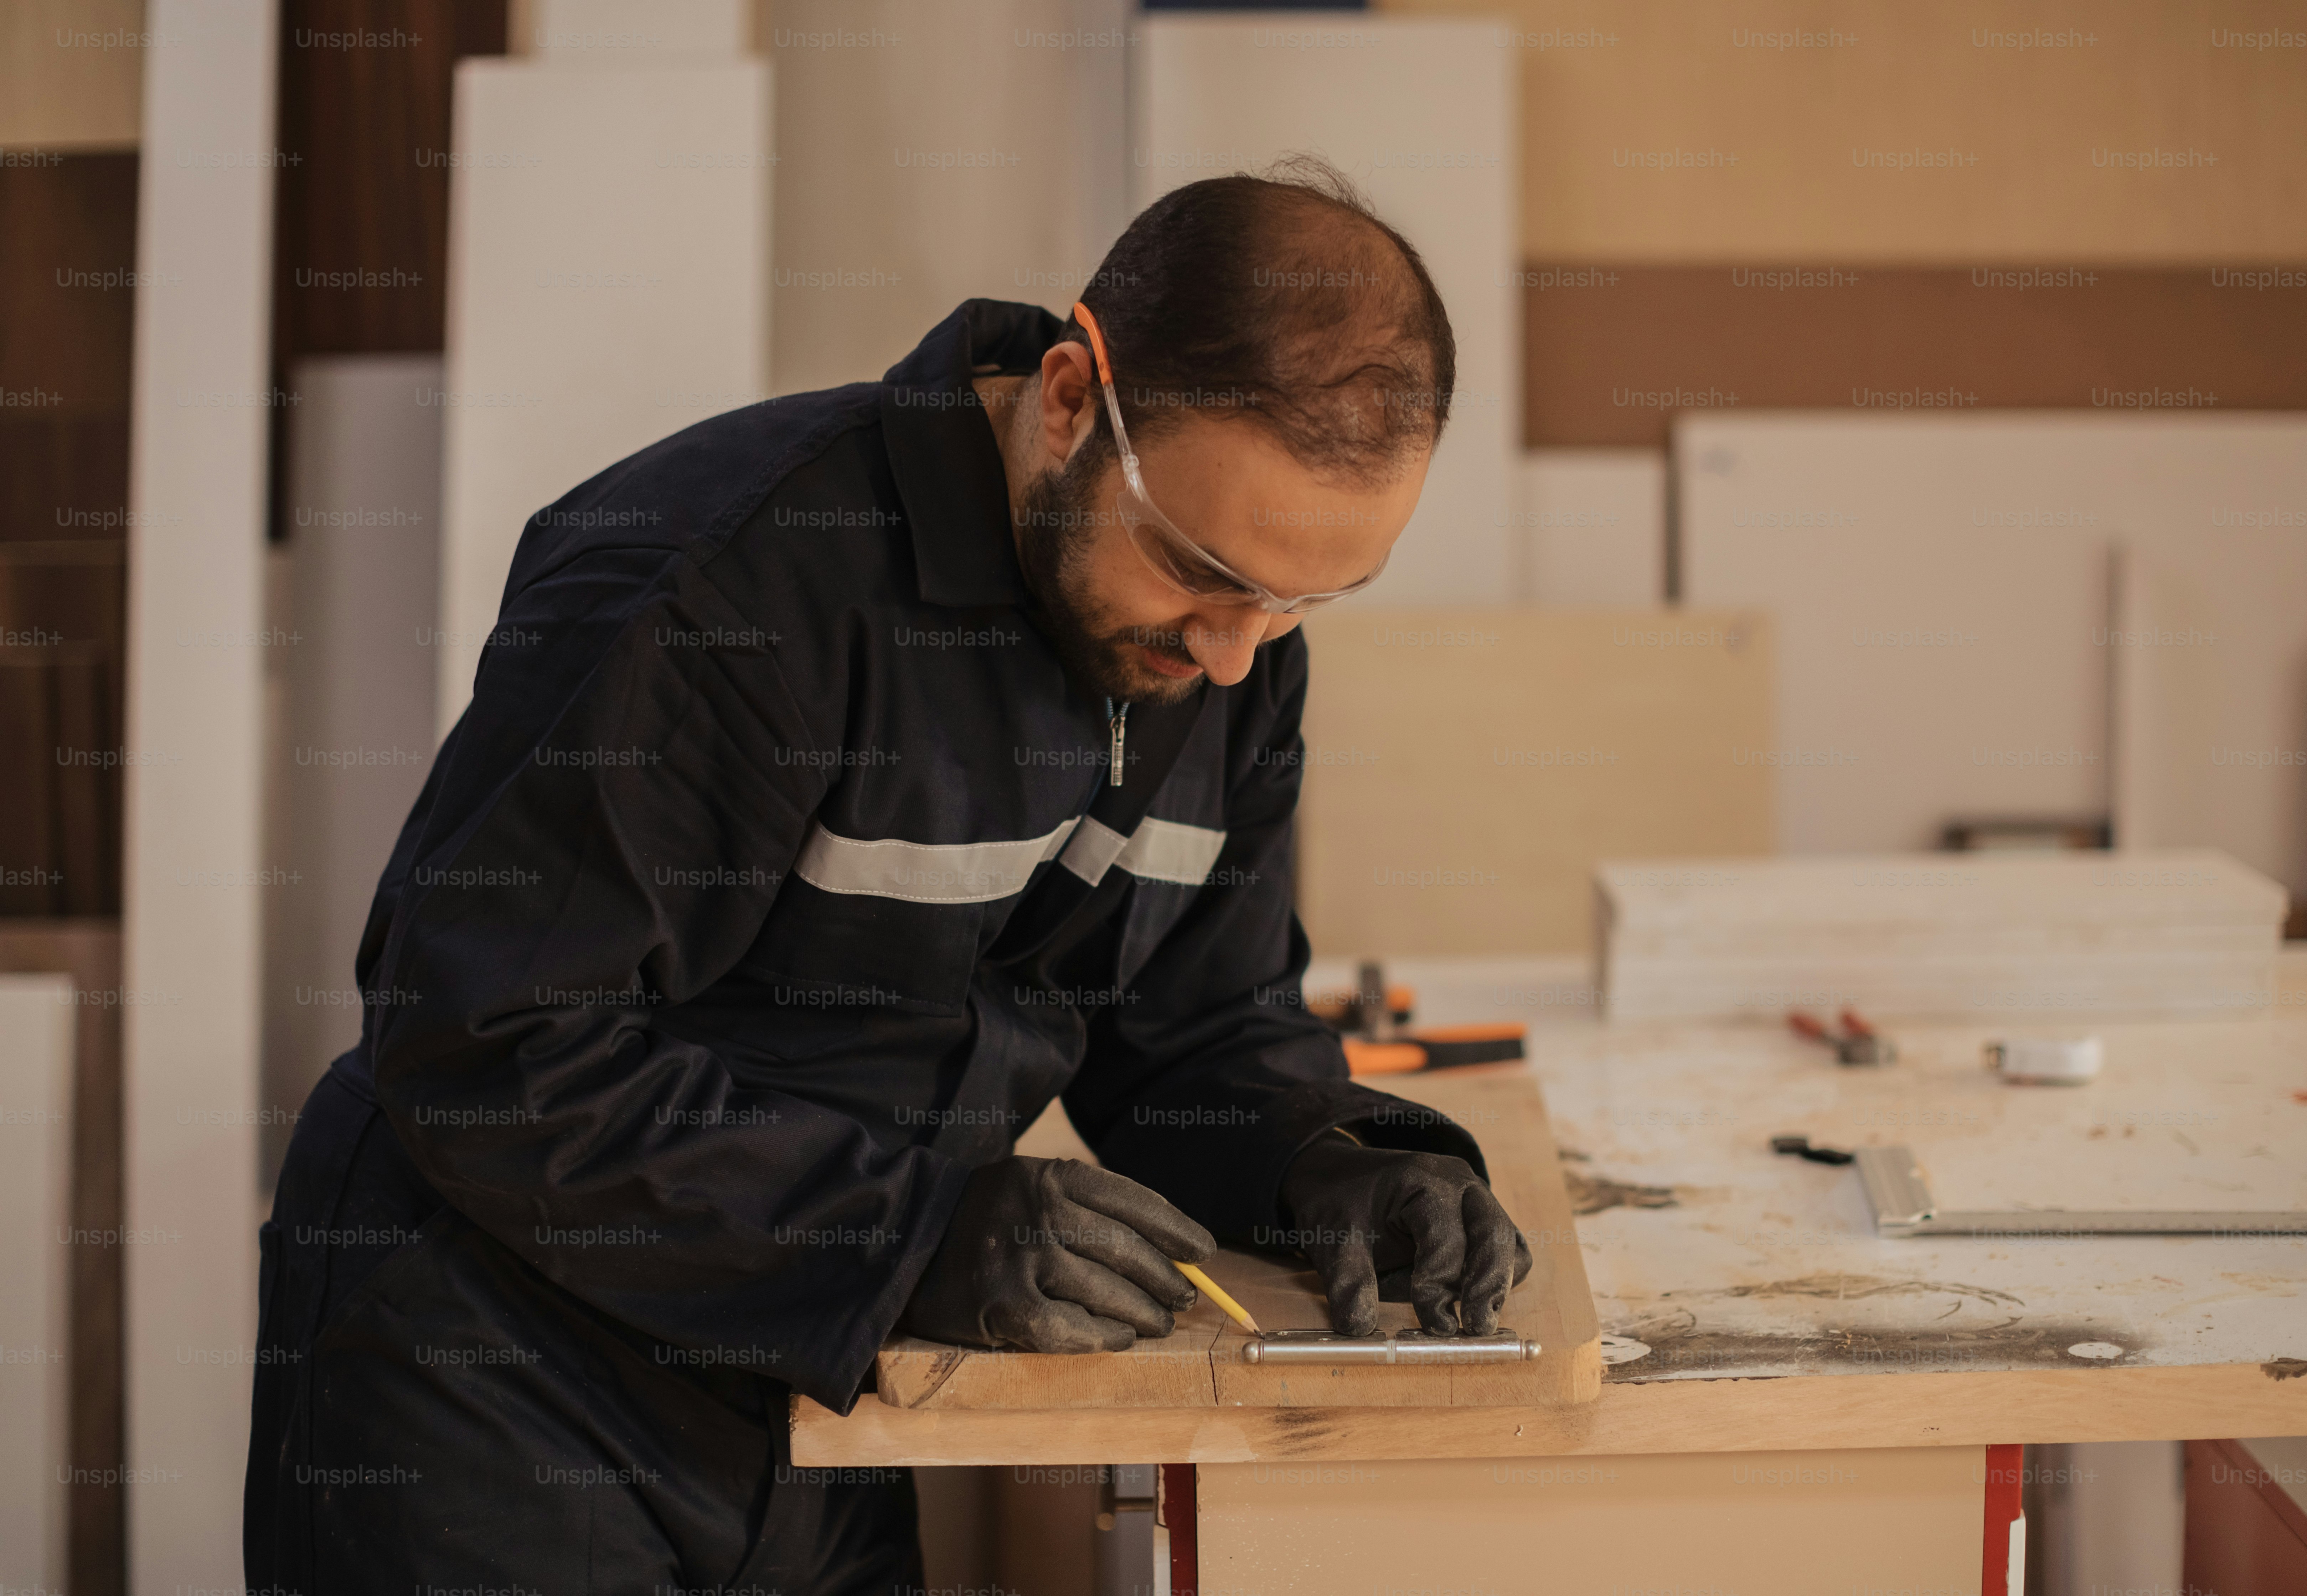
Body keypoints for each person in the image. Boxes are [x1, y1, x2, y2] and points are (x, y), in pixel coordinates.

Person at [245, 157, 1530, 1594]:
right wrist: (907, 1235)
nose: (1233, 653)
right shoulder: (730, 588)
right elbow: (483, 1039)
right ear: (1065, 400)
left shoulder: (1225, 660)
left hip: (823, 1373)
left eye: (1303, 603)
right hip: (497, 1377)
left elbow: (1193, 1027)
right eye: (1198, 568)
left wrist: (1328, 1160)